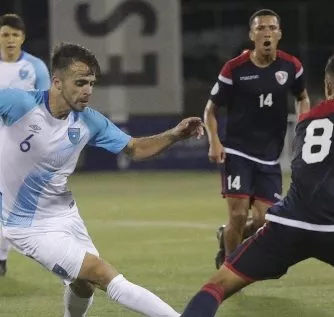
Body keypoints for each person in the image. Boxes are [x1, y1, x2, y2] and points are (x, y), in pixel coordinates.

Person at [180, 49, 334, 317]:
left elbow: (318, 178)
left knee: (216, 286)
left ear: (327, 86)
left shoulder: (307, 121)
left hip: (286, 227)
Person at [0, 43, 204, 317]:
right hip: (26, 225)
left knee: (84, 285)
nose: (88, 90)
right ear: (57, 82)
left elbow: (135, 148)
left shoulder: (90, 121)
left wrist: (175, 135)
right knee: (101, 273)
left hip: (65, 215)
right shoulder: (19, 103)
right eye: (80, 82)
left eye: (92, 83)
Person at [205, 8, 310, 269]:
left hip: (270, 156)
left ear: (280, 34)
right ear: (252, 35)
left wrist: (303, 127)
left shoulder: (291, 66)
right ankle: (230, 268)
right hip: (238, 151)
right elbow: (210, 109)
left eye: (272, 28)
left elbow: (302, 97)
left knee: (264, 222)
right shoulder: (234, 69)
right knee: (238, 215)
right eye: (261, 28)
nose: (267, 33)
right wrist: (214, 141)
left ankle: (224, 236)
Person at [0, 13, 51, 276]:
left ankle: (1, 255)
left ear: (23, 37)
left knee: (7, 201)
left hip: (22, 143)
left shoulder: (36, 67)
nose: (10, 40)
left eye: (15, 35)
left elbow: (46, 104)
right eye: (5, 34)